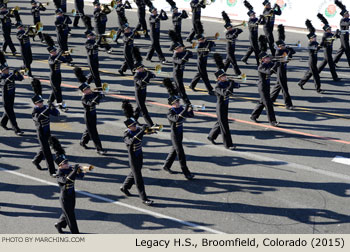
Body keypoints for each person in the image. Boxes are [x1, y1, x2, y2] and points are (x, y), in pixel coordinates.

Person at [162, 78, 195, 180]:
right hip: (175, 135)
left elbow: (190, 115)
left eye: (178, 101)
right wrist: (185, 109)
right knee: (180, 153)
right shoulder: (170, 113)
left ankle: (167, 165)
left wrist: (190, 109)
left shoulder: (180, 109)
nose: (178, 103)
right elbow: (177, 119)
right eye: (176, 102)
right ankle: (186, 173)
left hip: (180, 132)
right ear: (172, 104)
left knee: (174, 150)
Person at [120, 109, 154, 206]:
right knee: (138, 178)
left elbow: (148, 131)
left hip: (139, 155)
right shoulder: (126, 134)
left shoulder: (137, 130)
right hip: (133, 157)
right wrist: (141, 131)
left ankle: (125, 187)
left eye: (135, 124)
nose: (135, 126)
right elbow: (131, 141)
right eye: (133, 125)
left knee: (135, 171)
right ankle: (144, 198)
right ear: (129, 127)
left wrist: (154, 128)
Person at [208, 53, 239, 150]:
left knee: (220, 122)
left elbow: (237, 86)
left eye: (225, 76)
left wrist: (234, 83)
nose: (225, 77)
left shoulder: (226, 82)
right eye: (223, 76)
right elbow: (226, 93)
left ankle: (211, 136)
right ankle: (228, 144)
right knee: (224, 125)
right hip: (220, 107)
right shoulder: (217, 87)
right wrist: (231, 85)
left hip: (226, 105)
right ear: (219, 78)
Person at [74, 67, 106, 155]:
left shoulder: (91, 93)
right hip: (88, 116)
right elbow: (91, 103)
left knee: (89, 130)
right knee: (94, 132)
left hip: (93, 113)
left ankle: (83, 141)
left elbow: (100, 96)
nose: (90, 89)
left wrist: (101, 92)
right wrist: (98, 96)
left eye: (89, 88)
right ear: (84, 91)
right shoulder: (84, 98)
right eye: (87, 89)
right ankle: (99, 149)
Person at [31, 94, 60, 177]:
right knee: (47, 152)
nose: (41, 103)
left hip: (47, 132)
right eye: (39, 102)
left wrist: (53, 107)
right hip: (41, 134)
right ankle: (52, 171)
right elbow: (39, 118)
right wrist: (48, 108)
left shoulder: (45, 107)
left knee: (45, 148)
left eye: (41, 102)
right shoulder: (34, 112)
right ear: (35, 104)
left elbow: (56, 114)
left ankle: (36, 160)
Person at [55, 156, 84, 234]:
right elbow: (65, 180)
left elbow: (81, 176)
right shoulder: (59, 174)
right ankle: (75, 233)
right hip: (65, 198)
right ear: (60, 165)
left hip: (72, 195)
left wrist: (80, 170)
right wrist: (74, 171)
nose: (67, 164)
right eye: (65, 163)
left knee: (69, 212)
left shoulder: (69, 170)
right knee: (71, 217)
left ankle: (59, 224)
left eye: (67, 162)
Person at [270, 26, 295, 110]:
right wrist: (289, 53)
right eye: (283, 45)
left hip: (284, 69)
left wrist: (289, 49)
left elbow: (293, 52)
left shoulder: (284, 49)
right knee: (284, 88)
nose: (284, 46)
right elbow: (286, 59)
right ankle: (288, 104)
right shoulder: (278, 52)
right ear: (279, 46)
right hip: (280, 70)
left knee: (278, 86)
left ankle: (270, 100)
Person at [250, 52, 279, 126]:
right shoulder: (261, 66)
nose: (269, 58)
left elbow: (276, 66)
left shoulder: (268, 64)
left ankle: (254, 115)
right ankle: (272, 121)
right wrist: (276, 64)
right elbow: (269, 72)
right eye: (267, 58)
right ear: (262, 59)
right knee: (268, 104)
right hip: (262, 87)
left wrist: (281, 61)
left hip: (267, 86)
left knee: (262, 102)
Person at [298, 20, 324, 93]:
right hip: (311, 61)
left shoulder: (315, 42)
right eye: (313, 38)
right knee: (316, 75)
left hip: (315, 60)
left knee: (309, 73)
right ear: (310, 39)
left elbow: (319, 46)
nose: (315, 38)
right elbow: (316, 48)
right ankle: (318, 89)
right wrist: (320, 44)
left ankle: (301, 82)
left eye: (315, 37)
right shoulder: (310, 45)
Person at [1, 65, 24, 136]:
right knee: (11, 114)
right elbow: (5, 82)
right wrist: (13, 75)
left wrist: (18, 72)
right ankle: (16, 129)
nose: (7, 70)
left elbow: (21, 78)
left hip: (12, 96)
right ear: (2, 71)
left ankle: (3, 123)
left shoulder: (10, 75)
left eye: (8, 69)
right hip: (6, 98)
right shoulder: (1, 77)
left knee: (8, 111)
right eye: (5, 69)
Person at [133, 58, 156, 127]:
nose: (142, 68)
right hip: (139, 94)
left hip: (143, 93)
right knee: (144, 111)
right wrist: (147, 75)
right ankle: (151, 125)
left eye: (142, 67)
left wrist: (150, 74)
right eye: (141, 68)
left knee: (139, 109)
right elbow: (141, 83)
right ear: (137, 69)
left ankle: (132, 121)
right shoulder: (136, 76)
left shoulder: (144, 73)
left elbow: (154, 76)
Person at [47, 44, 69, 112]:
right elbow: (53, 63)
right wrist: (58, 56)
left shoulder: (57, 56)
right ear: (50, 52)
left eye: (55, 51)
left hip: (58, 74)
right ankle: (60, 104)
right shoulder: (50, 58)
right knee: (57, 90)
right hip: (53, 76)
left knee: (56, 88)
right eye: (53, 51)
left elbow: (66, 60)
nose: (55, 52)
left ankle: (50, 101)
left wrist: (66, 55)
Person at [241, 1, 263, 66]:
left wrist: (263, 18)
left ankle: (244, 59)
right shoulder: (250, 22)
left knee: (251, 48)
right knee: (257, 50)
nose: (254, 15)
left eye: (254, 14)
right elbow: (255, 24)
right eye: (253, 15)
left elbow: (262, 23)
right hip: (252, 37)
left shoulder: (256, 18)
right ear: (250, 16)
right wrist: (260, 19)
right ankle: (259, 63)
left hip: (256, 36)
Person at [334, 1, 350, 68]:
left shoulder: (347, 19)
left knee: (341, 49)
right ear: (344, 15)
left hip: (346, 36)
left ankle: (333, 62)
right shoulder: (342, 20)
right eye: (347, 13)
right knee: (347, 50)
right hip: (343, 36)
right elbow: (348, 23)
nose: (348, 14)